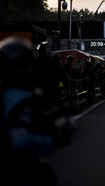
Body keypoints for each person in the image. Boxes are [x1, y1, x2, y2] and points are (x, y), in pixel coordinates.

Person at [1, 37, 73, 186]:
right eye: (24, 67)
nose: (29, 71)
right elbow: (20, 140)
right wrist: (54, 138)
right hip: (16, 166)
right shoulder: (20, 98)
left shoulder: (20, 93)